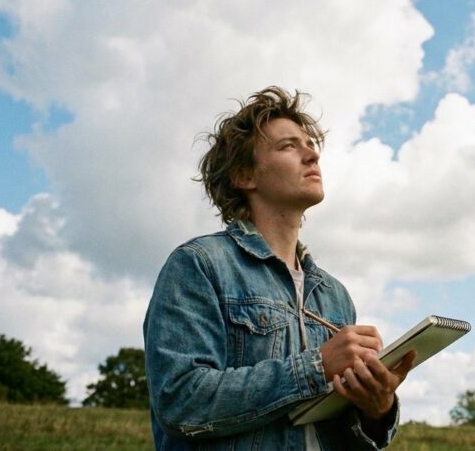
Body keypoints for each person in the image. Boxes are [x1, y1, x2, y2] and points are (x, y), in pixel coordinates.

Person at [144, 86, 415, 450]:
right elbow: (180, 402)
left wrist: (377, 410)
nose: (311, 154)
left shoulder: (334, 295)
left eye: (309, 144)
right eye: (288, 146)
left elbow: (344, 431)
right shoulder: (199, 265)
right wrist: (316, 367)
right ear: (244, 176)